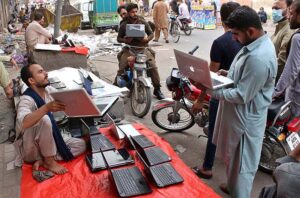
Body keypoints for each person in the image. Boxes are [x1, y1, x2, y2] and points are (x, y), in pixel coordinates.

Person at [192, 6, 277, 197]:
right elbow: (242, 75)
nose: (233, 38)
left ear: (251, 31)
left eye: (236, 33)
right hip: (237, 116)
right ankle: (231, 186)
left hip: (246, 120)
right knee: (233, 158)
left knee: (242, 167)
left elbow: (241, 95)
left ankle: (240, 193)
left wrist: (211, 90)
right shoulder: (252, 46)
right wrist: (226, 74)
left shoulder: (259, 57)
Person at [191, 1, 242, 179]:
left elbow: (211, 77)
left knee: (214, 130)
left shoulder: (221, 42)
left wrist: (200, 99)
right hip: (239, 94)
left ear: (221, 18)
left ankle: (207, 167)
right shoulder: (250, 40)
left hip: (221, 93)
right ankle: (233, 175)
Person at [15, 64, 86, 174]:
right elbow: (23, 123)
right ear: (31, 80)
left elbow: (67, 101)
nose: (46, 73)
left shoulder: (49, 90)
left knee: (81, 145)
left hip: (48, 141)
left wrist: (83, 100)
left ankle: (44, 159)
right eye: (40, 72)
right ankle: (49, 161)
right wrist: (46, 108)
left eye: (44, 70)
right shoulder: (26, 99)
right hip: (31, 147)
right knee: (45, 118)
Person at [116, 3, 165, 99]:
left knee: (153, 67)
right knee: (122, 67)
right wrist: (126, 40)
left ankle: (157, 88)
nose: (134, 14)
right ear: (128, 13)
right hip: (129, 49)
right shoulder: (124, 24)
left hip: (143, 49)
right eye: (132, 12)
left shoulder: (142, 21)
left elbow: (151, 34)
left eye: (135, 11)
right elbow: (119, 38)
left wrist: (147, 39)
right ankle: (117, 87)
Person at [273, 0, 300, 118]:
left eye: (292, 13)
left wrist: (275, 92)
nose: (288, 17)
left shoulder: (297, 38)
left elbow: (291, 70)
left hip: (296, 96)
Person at [271, 0, 295, 83]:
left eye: (277, 8)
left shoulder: (288, 30)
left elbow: (282, 62)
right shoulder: (279, 27)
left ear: (288, 9)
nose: (274, 11)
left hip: (276, 79)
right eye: (273, 8)